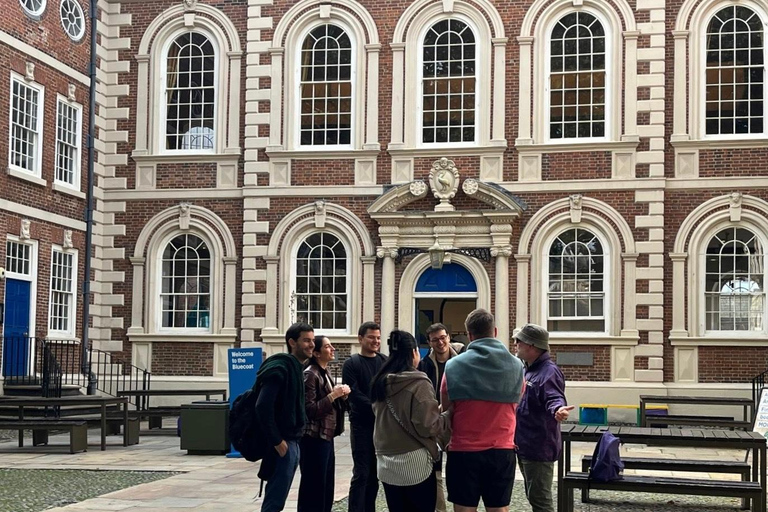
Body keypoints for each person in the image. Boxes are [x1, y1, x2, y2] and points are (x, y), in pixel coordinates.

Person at [440, 308, 526, 512]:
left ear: (469, 335)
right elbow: (517, 402)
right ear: (494, 331)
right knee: (498, 509)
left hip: (463, 451)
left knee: (464, 509)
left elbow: (446, 408)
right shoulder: (516, 367)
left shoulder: (453, 366)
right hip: (502, 449)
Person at [371, 330, 451, 512]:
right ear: (414, 352)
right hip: (415, 463)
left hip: (386, 462)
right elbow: (428, 426)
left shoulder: (380, 382)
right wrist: (445, 415)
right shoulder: (418, 382)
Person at [254, 322, 315, 512]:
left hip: (293, 441)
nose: (312, 345)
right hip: (283, 442)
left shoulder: (296, 367)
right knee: (275, 500)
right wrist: (277, 441)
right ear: (292, 342)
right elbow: (262, 406)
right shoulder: (280, 368)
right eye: (306, 340)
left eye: (312, 340)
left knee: (278, 498)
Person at [514, 324, 573, 512]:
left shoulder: (548, 372)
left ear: (531, 345)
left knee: (541, 502)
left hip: (538, 447)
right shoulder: (528, 369)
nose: (515, 344)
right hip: (525, 444)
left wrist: (558, 409)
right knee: (534, 497)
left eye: (519, 341)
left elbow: (554, 397)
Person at [298, 335, 351, 512]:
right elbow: (310, 410)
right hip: (313, 438)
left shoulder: (325, 372)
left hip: (326, 436)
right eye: (328, 346)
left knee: (326, 487)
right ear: (317, 353)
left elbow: (331, 407)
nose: (333, 349)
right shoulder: (310, 374)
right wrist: (333, 395)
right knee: (314, 488)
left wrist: (342, 397)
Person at [417, 323, 465, 512]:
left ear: (449, 337)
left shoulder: (462, 360)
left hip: (456, 421)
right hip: (434, 423)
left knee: (456, 469)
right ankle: (440, 509)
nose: (440, 342)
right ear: (429, 342)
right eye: (435, 339)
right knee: (434, 469)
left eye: (443, 337)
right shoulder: (424, 364)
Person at [342, 321, 386, 512]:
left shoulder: (385, 361)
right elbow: (353, 393)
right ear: (360, 339)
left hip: (382, 427)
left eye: (378, 337)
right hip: (361, 426)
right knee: (362, 473)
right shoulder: (351, 364)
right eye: (371, 337)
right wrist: (376, 407)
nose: (376, 341)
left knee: (376, 474)